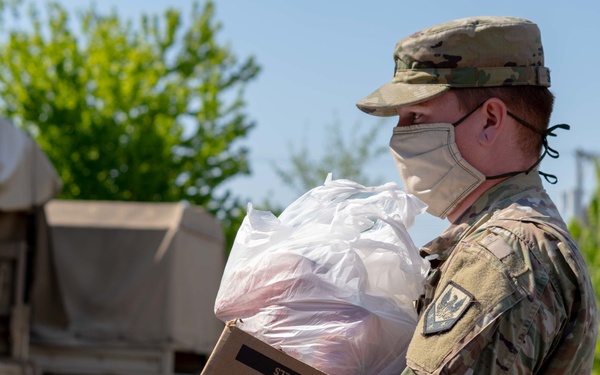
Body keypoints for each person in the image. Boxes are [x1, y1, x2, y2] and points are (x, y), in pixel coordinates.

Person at [356, 16, 598, 374]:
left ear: (489, 120)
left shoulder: (505, 253)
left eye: (416, 117)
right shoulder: (516, 239)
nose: (398, 135)